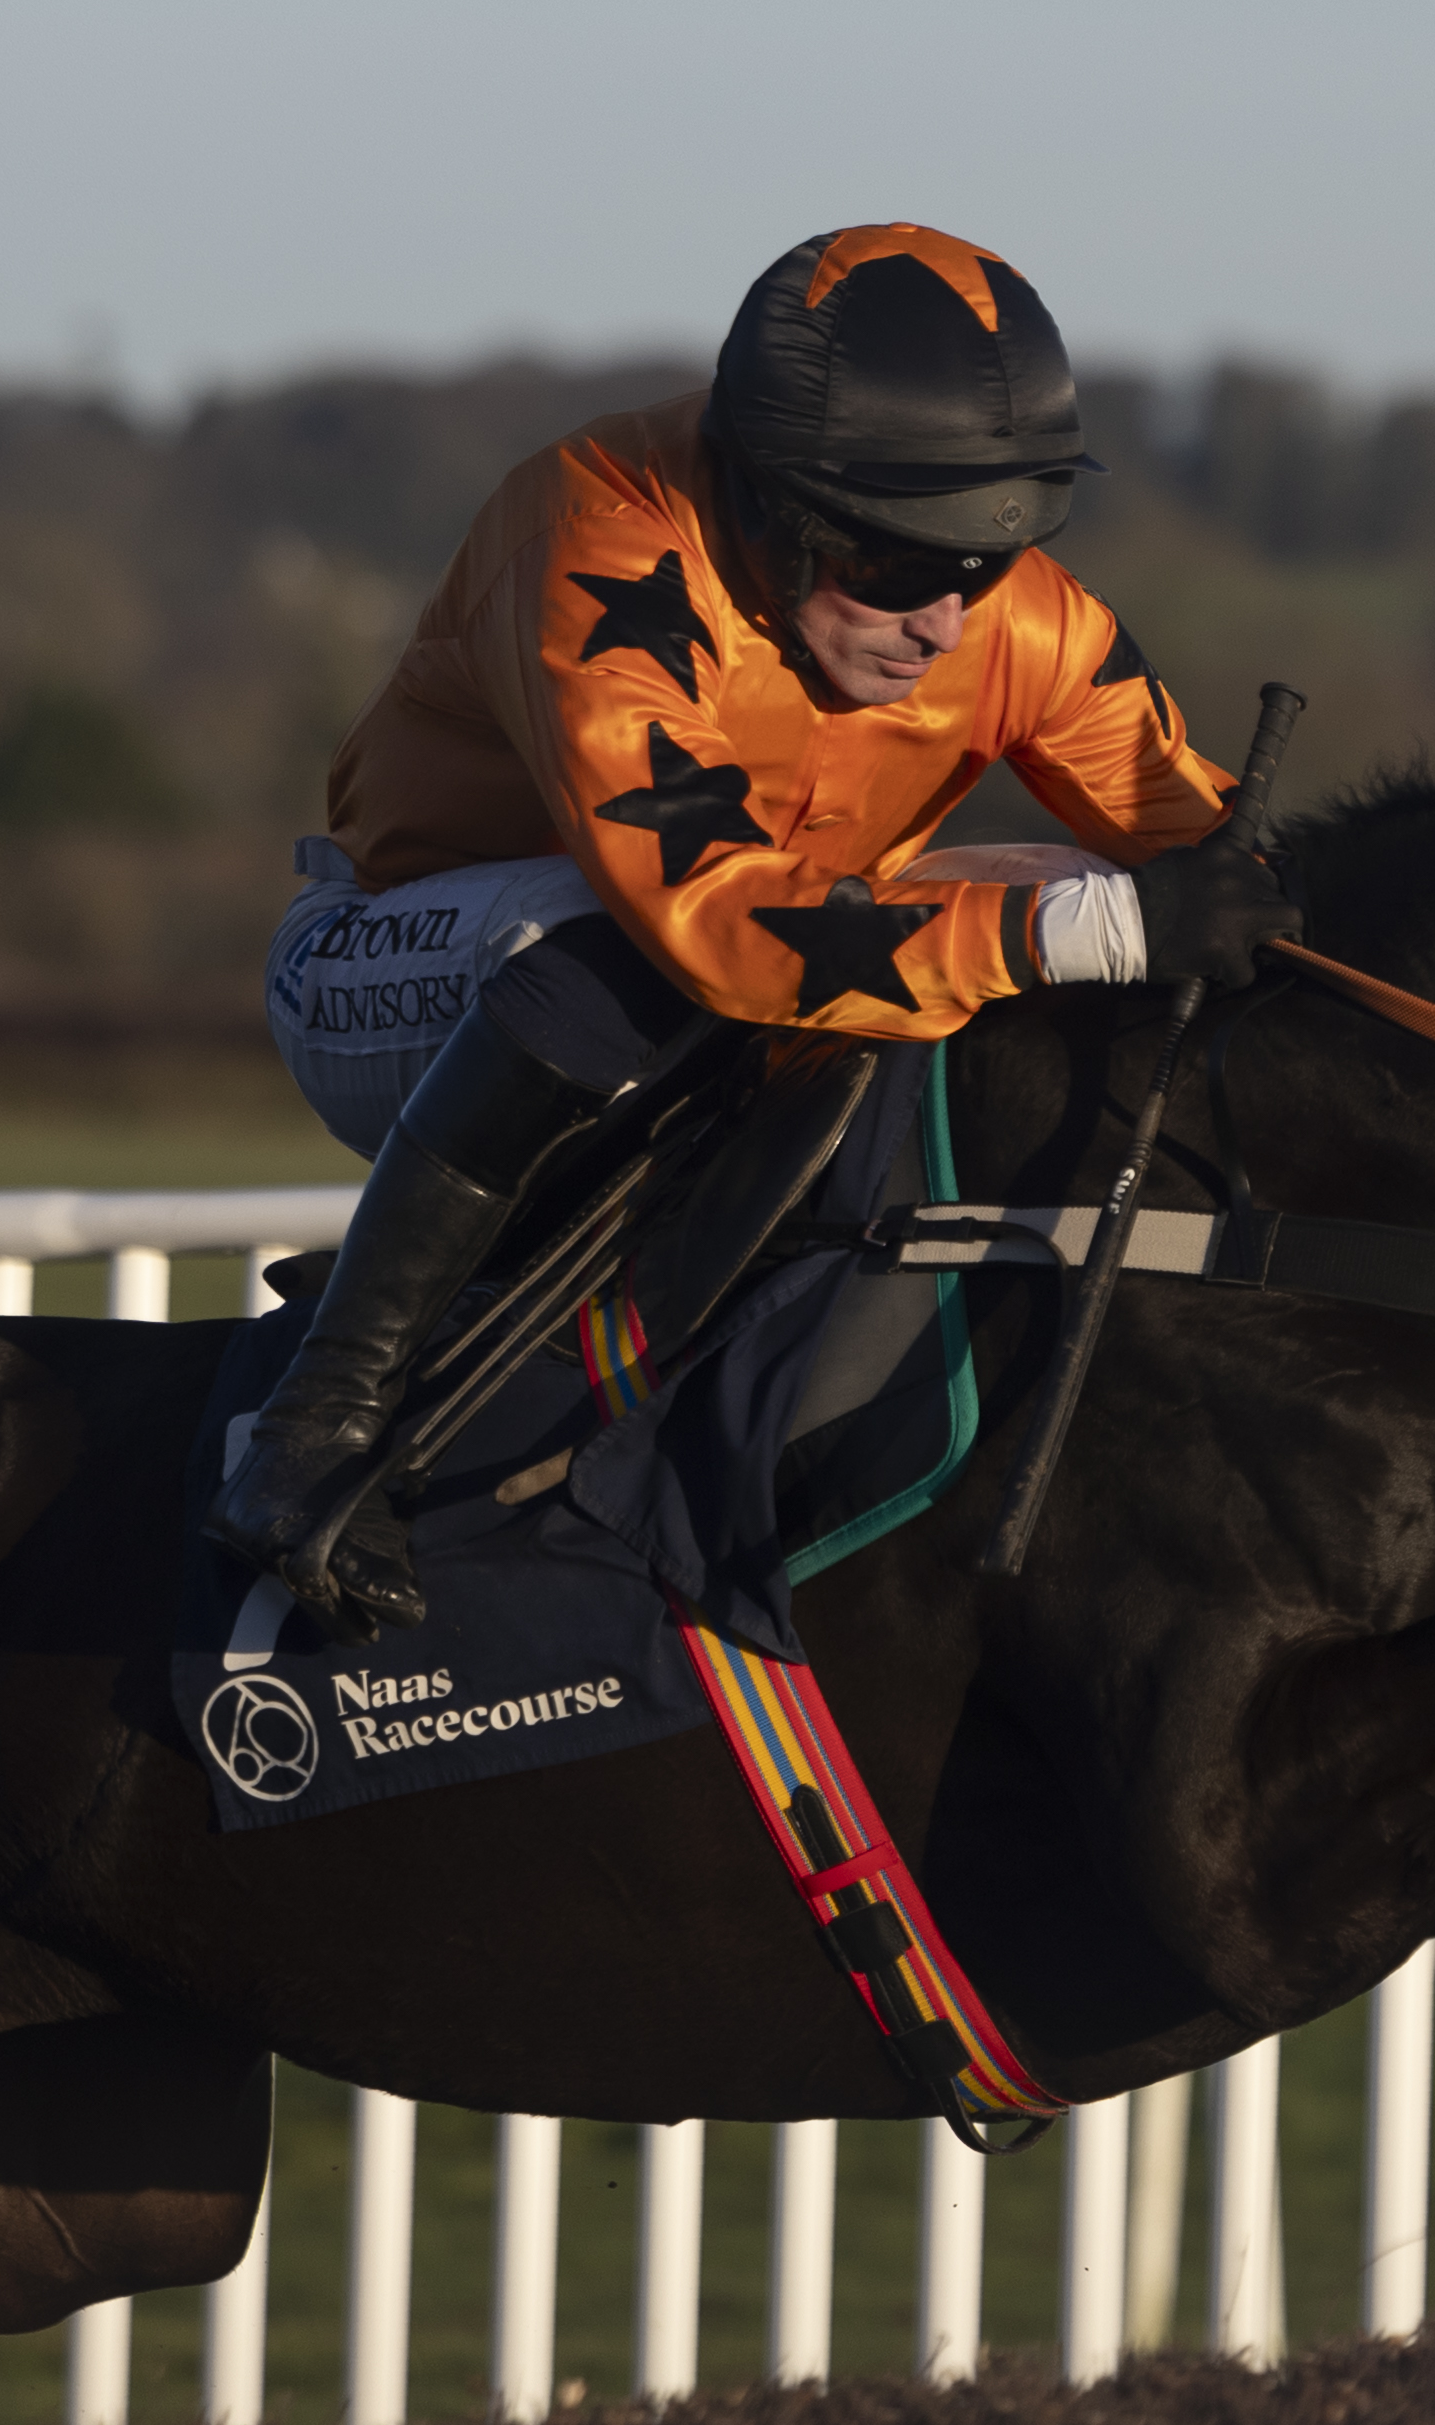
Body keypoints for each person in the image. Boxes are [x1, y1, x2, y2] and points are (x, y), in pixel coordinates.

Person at [212, 223, 1302, 1635]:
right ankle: (314, 1422)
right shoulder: (601, 539)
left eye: (989, 560)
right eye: (900, 566)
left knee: (1066, 895)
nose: (947, 624)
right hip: (401, 974)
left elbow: (1218, 868)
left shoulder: (1013, 621)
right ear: (771, 504)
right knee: (628, 939)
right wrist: (1076, 928)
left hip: (703, 986)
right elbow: (712, 926)